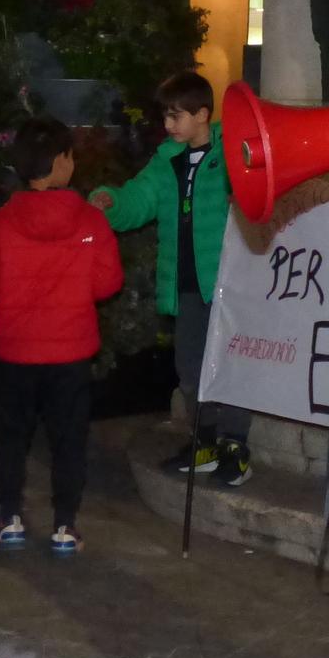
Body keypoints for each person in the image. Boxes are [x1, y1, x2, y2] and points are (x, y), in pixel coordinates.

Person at [0, 117, 123, 555]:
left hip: (14, 351)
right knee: (68, 438)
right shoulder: (91, 220)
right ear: (59, 163)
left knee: (12, 436)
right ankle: (65, 526)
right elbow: (108, 284)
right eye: (70, 155)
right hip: (71, 352)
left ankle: (10, 518)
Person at [91, 72, 253, 487]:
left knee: (230, 365)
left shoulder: (231, 154)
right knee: (191, 366)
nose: (168, 125)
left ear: (203, 115)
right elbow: (139, 199)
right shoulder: (166, 160)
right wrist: (112, 202)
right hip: (185, 284)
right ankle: (204, 439)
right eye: (166, 116)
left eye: (176, 116)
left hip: (225, 283)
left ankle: (235, 444)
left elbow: (255, 203)